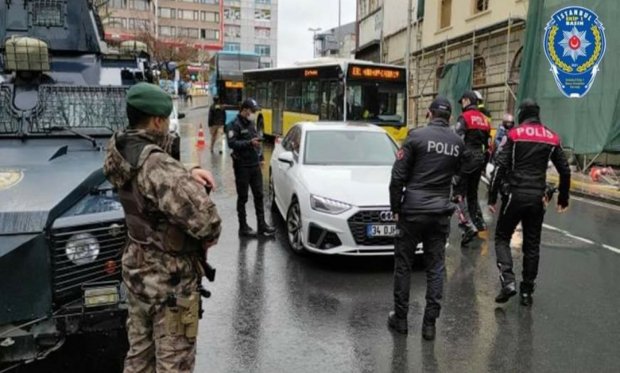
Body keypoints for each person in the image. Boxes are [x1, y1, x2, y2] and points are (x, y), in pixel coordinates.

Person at [103, 83, 222, 372]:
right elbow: (209, 224)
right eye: (166, 120)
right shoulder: (158, 167)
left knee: (139, 357)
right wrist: (183, 177)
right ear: (157, 120)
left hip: (137, 272)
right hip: (170, 284)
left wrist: (187, 171)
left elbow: (149, 178)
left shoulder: (118, 148)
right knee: (174, 364)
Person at [388, 96, 465, 340]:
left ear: (429, 114)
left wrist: (395, 206)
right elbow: (461, 174)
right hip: (439, 213)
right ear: (450, 117)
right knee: (435, 267)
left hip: (411, 211)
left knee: (404, 265)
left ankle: (400, 320)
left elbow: (397, 176)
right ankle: (429, 324)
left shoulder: (416, 136)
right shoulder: (457, 142)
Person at [488, 99, 571, 306]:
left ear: (522, 114)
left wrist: (492, 197)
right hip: (538, 198)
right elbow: (565, 170)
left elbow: (499, 168)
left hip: (515, 195)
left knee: (501, 238)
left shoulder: (514, 134)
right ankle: (527, 292)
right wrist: (563, 199)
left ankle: (508, 280)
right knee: (532, 245)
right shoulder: (551, 137)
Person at [228, 98, 276, 237]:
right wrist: (249, 143)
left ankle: (262, 225)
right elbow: (232, 144)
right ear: (245, 110)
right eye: (252, 111)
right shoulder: (233, 125)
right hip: (242, 166)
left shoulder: (251, 124)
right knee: (243, 197)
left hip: (254, 165)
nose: (254, 113)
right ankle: (243, 227)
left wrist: (260, 157)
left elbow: (256, 140)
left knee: (259, 195)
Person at [455, 90, 492, 245]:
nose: (462, 104)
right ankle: (478, 223)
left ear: (467, 101)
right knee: (472, 194)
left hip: (466, 159)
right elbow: (489, 146)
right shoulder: (484, 119)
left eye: (462, 101)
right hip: (479, 159)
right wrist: (483, 164)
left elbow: (457, 140)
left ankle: (467, 225)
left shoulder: (464, 118)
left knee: (457, 194)